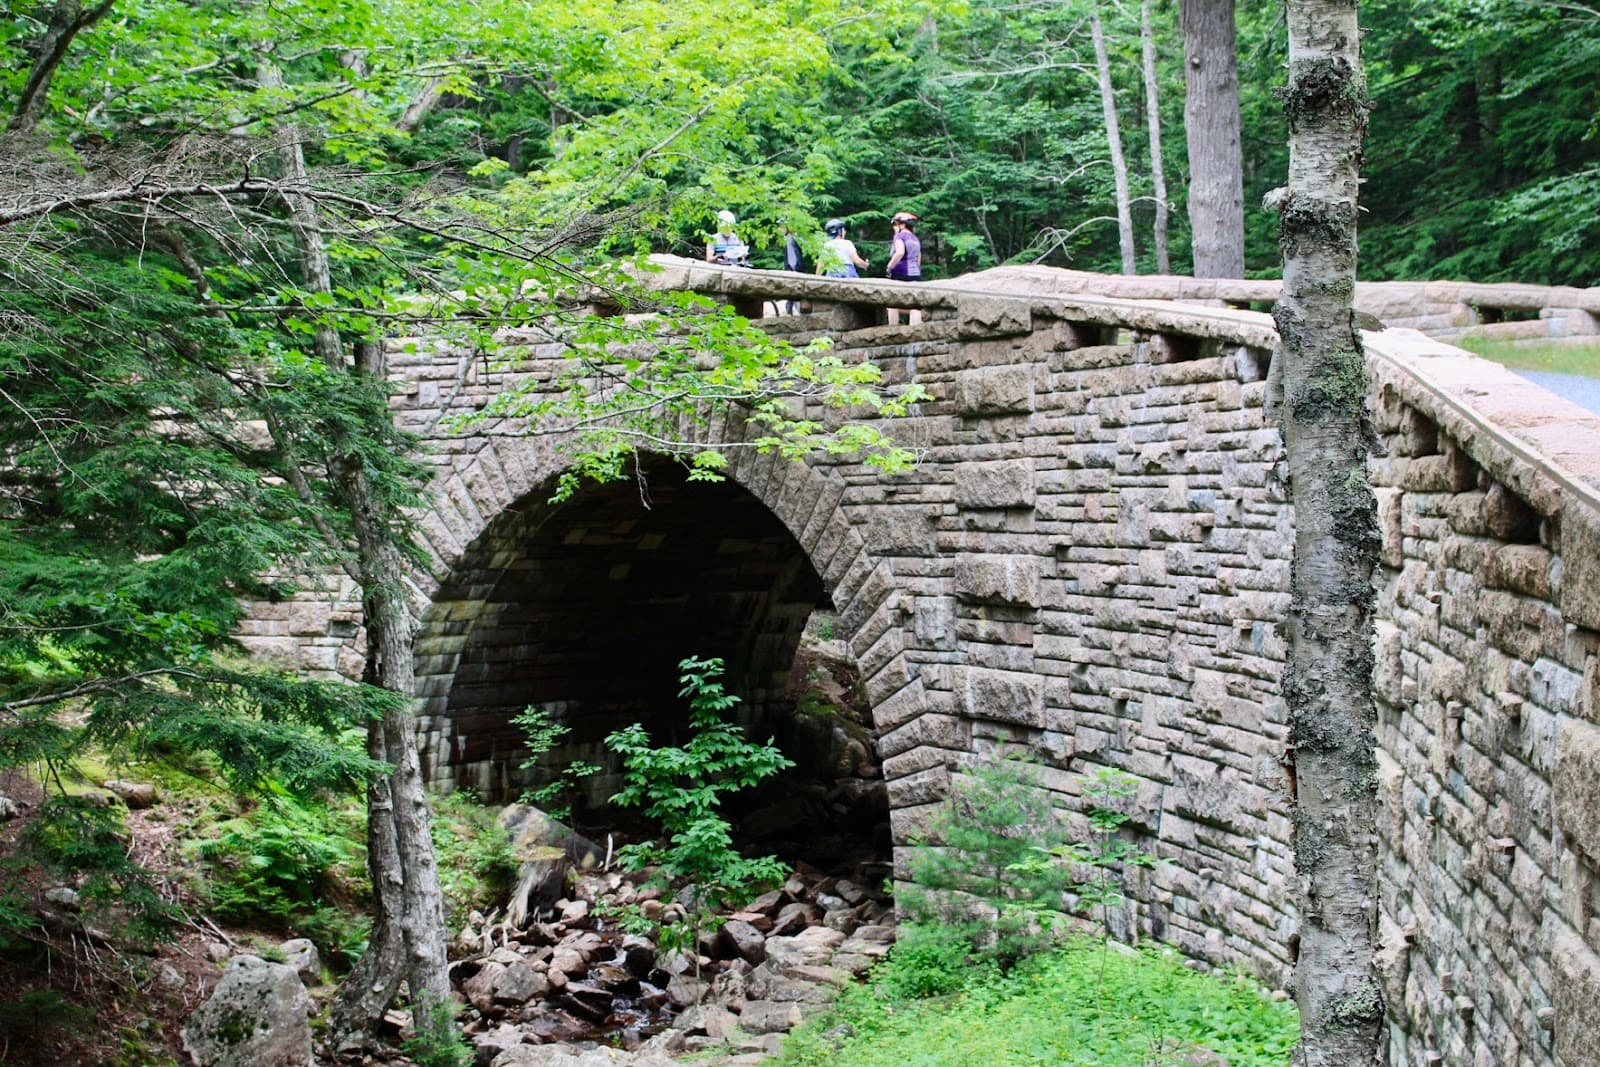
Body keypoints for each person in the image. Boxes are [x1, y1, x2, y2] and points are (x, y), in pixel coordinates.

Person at [885, 210, 923, 325]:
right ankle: (915, 330)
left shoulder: (900, 236)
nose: (894, 227)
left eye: (896, 224)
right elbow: (918, 258)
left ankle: (893, 330)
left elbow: (900, 252)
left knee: (892, 304)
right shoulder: (915, 238)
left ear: (902, 224)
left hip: (901, 272)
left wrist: (889, 267)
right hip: (915, 273)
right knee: (914, 305)